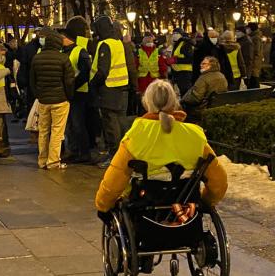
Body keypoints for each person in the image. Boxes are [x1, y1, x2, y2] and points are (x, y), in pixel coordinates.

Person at [95, 80, 228, 212]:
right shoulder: (195, 135)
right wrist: (206, 201)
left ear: (146, 103)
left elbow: (114, 181)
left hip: (144, 207)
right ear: (174, 103)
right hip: (185, 209)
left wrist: (103, 205)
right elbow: (219, 182)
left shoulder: (135, 136)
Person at [29, 28, 74, 170]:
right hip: (60, 100)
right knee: (57, 131)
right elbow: (69, 81)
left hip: (43, 100)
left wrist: (39, 95)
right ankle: (53, 161)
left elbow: (32, 80)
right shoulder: (63, 58)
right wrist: (68, 96)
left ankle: (42, 160)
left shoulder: (37, 58)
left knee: (43, 131)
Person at [90, 16, 130, 164]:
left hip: (108, 89)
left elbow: (102, 71)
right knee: (120, 122)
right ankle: (122, 154)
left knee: (110, 124)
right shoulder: (118, 43)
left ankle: (114, 155)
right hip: (121, 87)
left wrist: (92, 84)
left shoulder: (105, 44)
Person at [63, 16, 94, 163]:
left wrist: (73, 85)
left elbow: (85, 72)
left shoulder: (79, 50)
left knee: (78, 124)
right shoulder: (67, 51)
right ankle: (73, 151)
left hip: (79, 92)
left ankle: (83, 153)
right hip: (70, 92)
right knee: (71, 124)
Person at [169, 28, 194, 97]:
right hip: (178, 72)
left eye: (177, 33)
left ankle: (188, 107)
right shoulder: (177, 44)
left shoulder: (185, 44)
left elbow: (190, 58)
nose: (174, 35)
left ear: (181, 35)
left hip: (185, 72)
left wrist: (176, 60)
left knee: (186, 93)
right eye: (173, 34)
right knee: (182, 93)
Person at [246, 23, 264, 89]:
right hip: (255, 62)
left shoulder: (255, 38)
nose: (247, 30)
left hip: (254, 63)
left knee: (254, 79)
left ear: (251, 29)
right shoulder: (253, 37)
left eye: (248, 28)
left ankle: (256, 94)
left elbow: (256, 51)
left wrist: (252, 61)